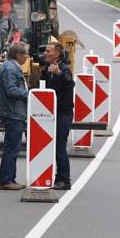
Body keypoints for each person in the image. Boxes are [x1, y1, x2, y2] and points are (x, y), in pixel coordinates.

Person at [41, 41, 75, 190]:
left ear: (57, 54)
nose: (45, 53)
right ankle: (55, 176)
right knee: (51, 146)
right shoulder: (47, 68)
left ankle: (64, 180)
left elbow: (70, 83)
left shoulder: (64, 68)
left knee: (60, 145)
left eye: (48, 51)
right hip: (51, 113)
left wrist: (59, 73)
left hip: (63, 113)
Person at [0, 42, 29, 190]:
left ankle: (10, 179)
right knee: (12, 148)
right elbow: (11, 90)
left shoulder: (11, 67)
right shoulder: (10, 68)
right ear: (18, 55)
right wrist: (31, 94)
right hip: (13, 113)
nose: (27, 56)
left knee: (12, 147)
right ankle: (6, 180)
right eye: (26, 54)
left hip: (14, 112)